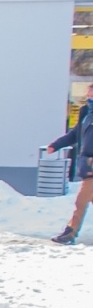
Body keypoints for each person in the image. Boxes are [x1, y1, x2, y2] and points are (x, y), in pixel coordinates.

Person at [48, 91, 93, 244]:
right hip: (87, 165)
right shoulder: (86, 112)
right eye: (89, 91)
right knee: (87, 199)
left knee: (81, 201)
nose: (89, 94)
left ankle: (70, 233)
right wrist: (56, 145)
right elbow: (75, 135)